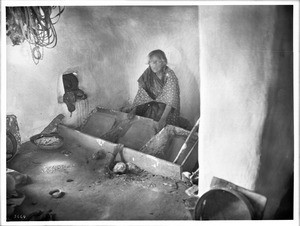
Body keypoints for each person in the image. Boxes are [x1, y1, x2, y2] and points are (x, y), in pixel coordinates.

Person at [122, 49, 180, 132]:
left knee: (164, 131)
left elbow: (171, 100)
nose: (153, 65)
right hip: (152, 107)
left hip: (166, 110)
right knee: (143, 128)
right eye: (151, 62)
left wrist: (162, 120)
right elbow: (142, 93)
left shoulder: (170, 75)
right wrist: (134, 110)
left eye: (156, 62)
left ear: (163, 62)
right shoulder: (149, 72)